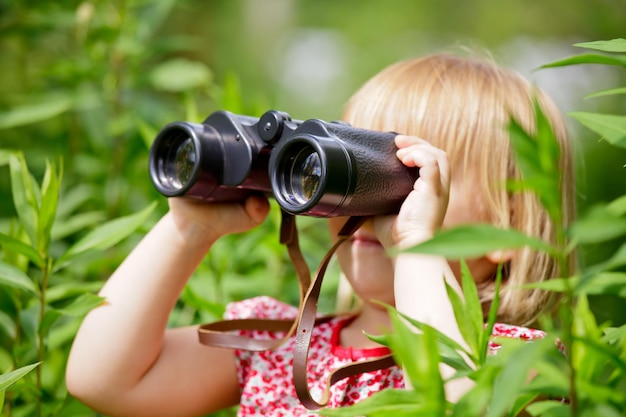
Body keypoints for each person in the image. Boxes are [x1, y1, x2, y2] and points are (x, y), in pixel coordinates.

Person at [65, 52, 575, 416]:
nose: (370, 200)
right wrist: (186, 228)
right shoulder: (279, 346)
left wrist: (419, 244)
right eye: (355, 162)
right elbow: (105, 381)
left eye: (409, 176)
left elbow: (466, 404)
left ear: (507, 229)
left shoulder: (520, 360)